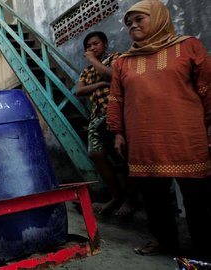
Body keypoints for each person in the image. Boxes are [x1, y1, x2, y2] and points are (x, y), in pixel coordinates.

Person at [107, 0, 211, 259]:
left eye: (139, 19)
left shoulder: (188, 46)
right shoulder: (123, 62)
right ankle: (166, 242)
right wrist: (118, 132)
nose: (132, 25)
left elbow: (207, 89)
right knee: (154, 198)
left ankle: (204, 247)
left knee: (197, 198)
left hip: (186, 136)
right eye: (128, 23)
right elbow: (116, 98)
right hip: (143, 140)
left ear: (160, 18)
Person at [76, 31, 136, 216]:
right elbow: (79, 91)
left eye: (95, 44)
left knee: (124, 155)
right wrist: (100, 85)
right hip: (97, 117)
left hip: (116, 112)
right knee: (96, 154)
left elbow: (112, 76)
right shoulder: (86, 71)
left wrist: (93, 60)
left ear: (105, 44)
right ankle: (116, 196)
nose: (92, 48)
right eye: (88, 47)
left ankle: (129, 200)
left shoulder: (116, 58)